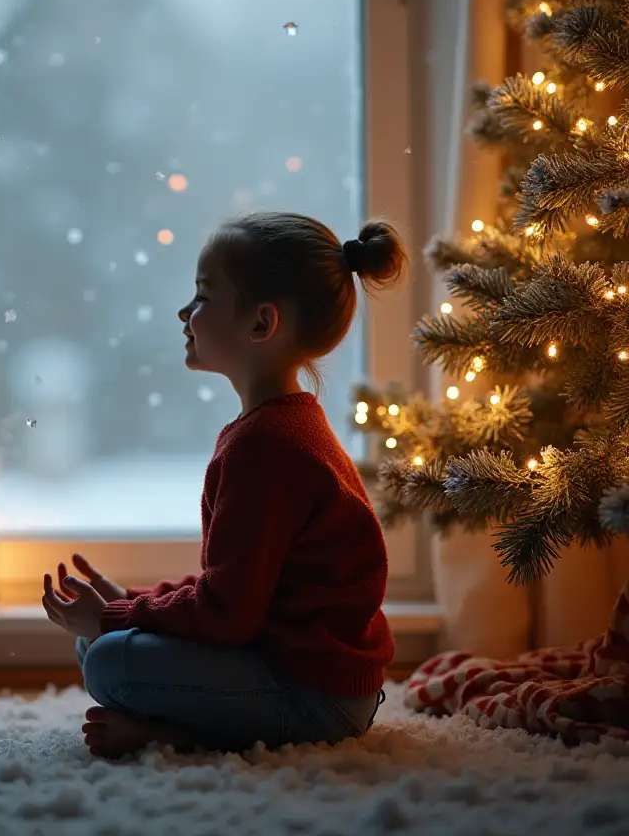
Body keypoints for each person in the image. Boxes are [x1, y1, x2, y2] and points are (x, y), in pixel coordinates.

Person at [42, 211, 406, 758]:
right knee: (97, 639)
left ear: (262, 324)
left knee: (107, 657)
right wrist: (130, 602)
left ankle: (184, 736)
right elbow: (238, 588)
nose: (185, 313)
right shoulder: (282, 427)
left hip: (314, 697)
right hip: (301, 669)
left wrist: (115, 617)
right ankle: (178, 713)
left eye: (204, 296)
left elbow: (226, 614)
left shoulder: (267, 447)